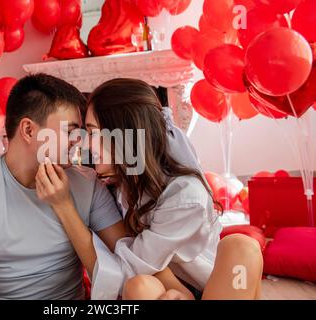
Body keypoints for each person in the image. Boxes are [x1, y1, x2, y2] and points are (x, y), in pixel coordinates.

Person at [35, 78, 264, 300]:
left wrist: (63, 205)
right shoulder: (121, 184)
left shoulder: (184, 196)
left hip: (212, 289)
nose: (85, 144)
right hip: (166, 287)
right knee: (140, 286)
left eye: (92, 133)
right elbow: (135, 273)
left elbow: (129, 266)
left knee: (242, 247)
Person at [0, 74, 128, 300]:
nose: (78, 140)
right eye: (70, 130)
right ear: (29, 130)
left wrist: (65, 206)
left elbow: (125, 267)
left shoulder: (89, 183)